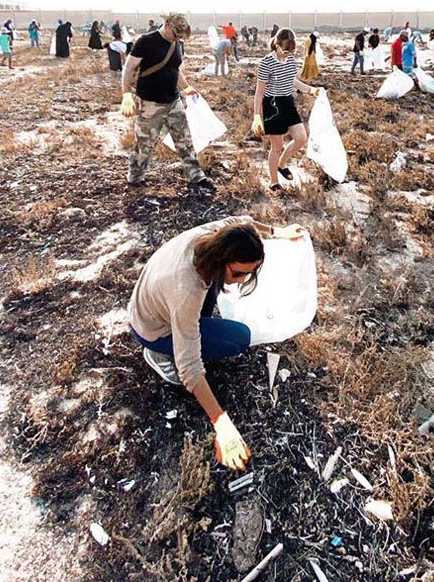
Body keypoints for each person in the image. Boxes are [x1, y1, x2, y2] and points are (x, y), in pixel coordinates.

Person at [130, 216, 306, 470]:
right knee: (237, 339)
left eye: (248, 273)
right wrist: (221, 422)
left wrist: (278, 231)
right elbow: (189, 366)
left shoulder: (213, 237)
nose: (243, 280)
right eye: (237, 273)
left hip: (151, 305)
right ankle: (158, 354)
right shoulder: (188, 289)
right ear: (222, 260)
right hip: (152, 328)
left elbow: (245, 222)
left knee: (203, 318)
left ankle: (184, 332)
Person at [120, 13, 213, 190]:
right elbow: (129, 68)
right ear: (167, 25)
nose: (177, 39)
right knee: (144, 143)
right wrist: (126, 95)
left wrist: (186, 87)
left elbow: (175, 68)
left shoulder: (176, 43)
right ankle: (135, 177)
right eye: (176, 34)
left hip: (173, 100)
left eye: (180, 36)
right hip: (150, 103)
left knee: (184, 140)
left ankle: (195, 175)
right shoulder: (146, 41)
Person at [251, 28, 321, 192]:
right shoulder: (266, 63)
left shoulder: (290, 60)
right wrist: (256, 116)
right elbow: (259, 92)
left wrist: (311, 90)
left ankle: (282, 163)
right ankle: (274, 182)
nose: (287, 53)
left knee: (301, 138)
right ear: (276, 45)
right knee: (276, 147)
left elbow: (293, 81)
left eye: (291, 50)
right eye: (285, 49)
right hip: (272, 106)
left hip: (288, 103)